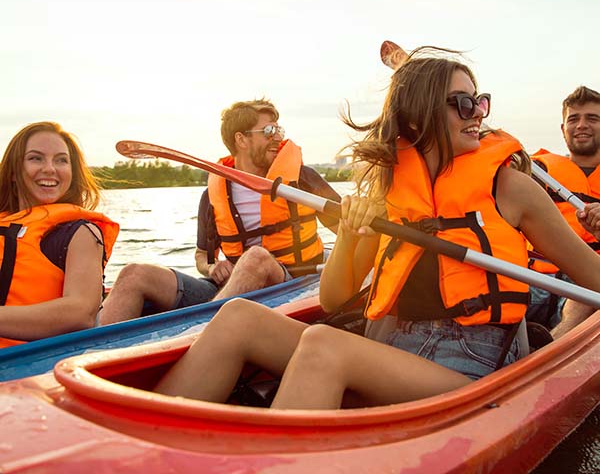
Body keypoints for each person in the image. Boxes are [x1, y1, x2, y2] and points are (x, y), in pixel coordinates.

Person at [151, 47, 600, 408]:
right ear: (418, 116)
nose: (477, 113)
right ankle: (141, 451)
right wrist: (350, 233)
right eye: (464, 103)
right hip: (390, 346)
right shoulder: (388, 187)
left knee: (325, 347)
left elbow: (592, 277)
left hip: (471, 368)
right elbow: (333, 297)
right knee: (237, 317)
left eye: (481, 101)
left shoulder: (511, 187)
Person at [98, 99, 339, 325]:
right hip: (229, 290)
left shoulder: (302, 179)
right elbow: (202, 256)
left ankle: (201, 335)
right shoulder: (213, 196)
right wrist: (212, 268)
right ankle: (92, 356)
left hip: (292, 283)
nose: (278, 139)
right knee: (133, 274)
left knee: (256, 258)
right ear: (241, 140)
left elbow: (346, 230)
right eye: (268, 132)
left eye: (279, 131)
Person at [0, 121, 119, 348]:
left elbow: (80, 313)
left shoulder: (81, 233)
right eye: (36, 158)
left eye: (61, 160)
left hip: (33, 367)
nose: (50, 169)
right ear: (14, 172)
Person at [527, 86, 600, 337]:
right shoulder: (536, 169)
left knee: (589, 293)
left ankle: (547, 353)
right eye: (573, 118)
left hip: (585, 283)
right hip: (531, 275)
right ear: (563, 129)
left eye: (592, 118)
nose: (581, 125)